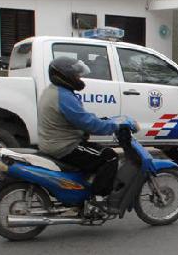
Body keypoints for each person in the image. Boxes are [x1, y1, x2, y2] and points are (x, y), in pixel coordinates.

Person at [37, 56, 135, 208]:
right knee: (109, 157)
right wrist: (115, 126)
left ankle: (87, 188)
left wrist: (105, 121)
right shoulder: (63, 96)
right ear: (65, 76)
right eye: (76, 75)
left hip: (54, 142)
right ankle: (98, 199)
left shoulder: (55, 91)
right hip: (64, 146)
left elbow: (80, 118)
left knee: (96, 153)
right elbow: (88, 123)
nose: (79, 78)